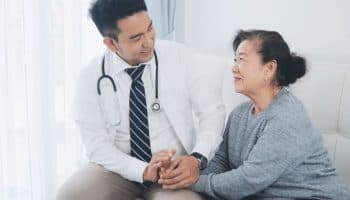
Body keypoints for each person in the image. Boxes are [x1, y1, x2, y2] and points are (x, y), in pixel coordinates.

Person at [56, 0, 225, 199]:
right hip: (118, 169)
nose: (149, 41)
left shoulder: (179, 56)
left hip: (171, 170)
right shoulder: (90, 77)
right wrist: (142, 170)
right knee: (71, 194)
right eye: (136, 38)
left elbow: (212, 112)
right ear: (111, 43)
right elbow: (96, 144)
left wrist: (197, 158)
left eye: (150, 28)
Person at [159, 30, 350, 199]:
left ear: (269, 69)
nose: (234, 67)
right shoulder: (239, 114)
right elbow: (221, 161)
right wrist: (185, 173)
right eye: (235, 60)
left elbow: (247, 180)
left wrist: (192, 182)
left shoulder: (286, 117)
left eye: (242, 59)